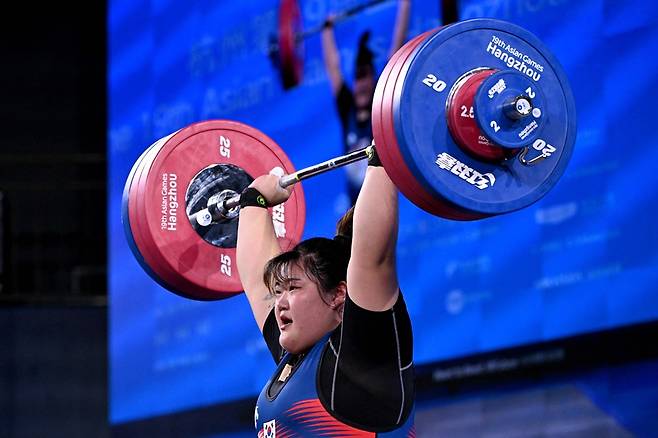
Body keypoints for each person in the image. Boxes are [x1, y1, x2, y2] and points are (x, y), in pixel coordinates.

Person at [236, 149, 414, 436]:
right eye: (279, 290)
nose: (278, 301)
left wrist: (384, 155)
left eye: (293, 288)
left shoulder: (363, 358)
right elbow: (257, 281)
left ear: (338, 294)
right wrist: (253, 200)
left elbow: (373, 259)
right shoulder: (297, 359)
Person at [321, 0, 411, 205]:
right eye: (357, 78)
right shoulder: (347, 107)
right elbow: (332, 67)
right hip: (354, 207)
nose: (360, 85)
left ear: (374, 80)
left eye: (365, 77)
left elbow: (396, 51)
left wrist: (405, 5)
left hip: (381, 200)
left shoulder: (380, 104)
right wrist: (327, 31)